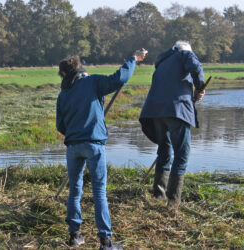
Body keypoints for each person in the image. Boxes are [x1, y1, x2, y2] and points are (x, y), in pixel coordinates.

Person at [56, 50, 147, 250]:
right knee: (99, 192)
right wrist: (133, 59)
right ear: (79, 68)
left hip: (73, 146)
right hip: (93, 144)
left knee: (75, 190)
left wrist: (74, 131)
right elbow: (120, 78)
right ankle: (105, 242)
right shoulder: (93, 82)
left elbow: (60, 126)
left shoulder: (64, 93)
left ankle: (74, 236)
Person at [139, 41, 205, 211]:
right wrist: (199, 87)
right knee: (182, 154)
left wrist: (192, 94)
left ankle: (158, 195)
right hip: (176, 111)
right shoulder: (185, 54)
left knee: (164, 151)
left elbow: (172, 84)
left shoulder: (163, 60)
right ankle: (173, 202)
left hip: (156, 112)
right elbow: (196, 68)